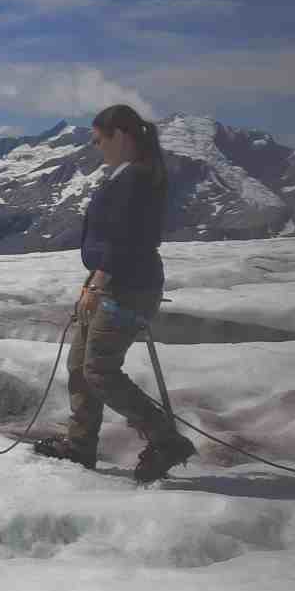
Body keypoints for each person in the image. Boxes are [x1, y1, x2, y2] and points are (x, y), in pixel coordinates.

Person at [34, 105, 197, 483]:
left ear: (120, 136)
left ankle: (164, 439)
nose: (96, 148)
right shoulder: (133, 175)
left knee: (98, 370)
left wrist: (98, 281)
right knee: (80, 364)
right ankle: (79, 445)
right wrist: (93, 278)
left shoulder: (134, 179)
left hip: (126, 287)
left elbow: (124, 238)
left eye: (99, 140)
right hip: (118, 282)